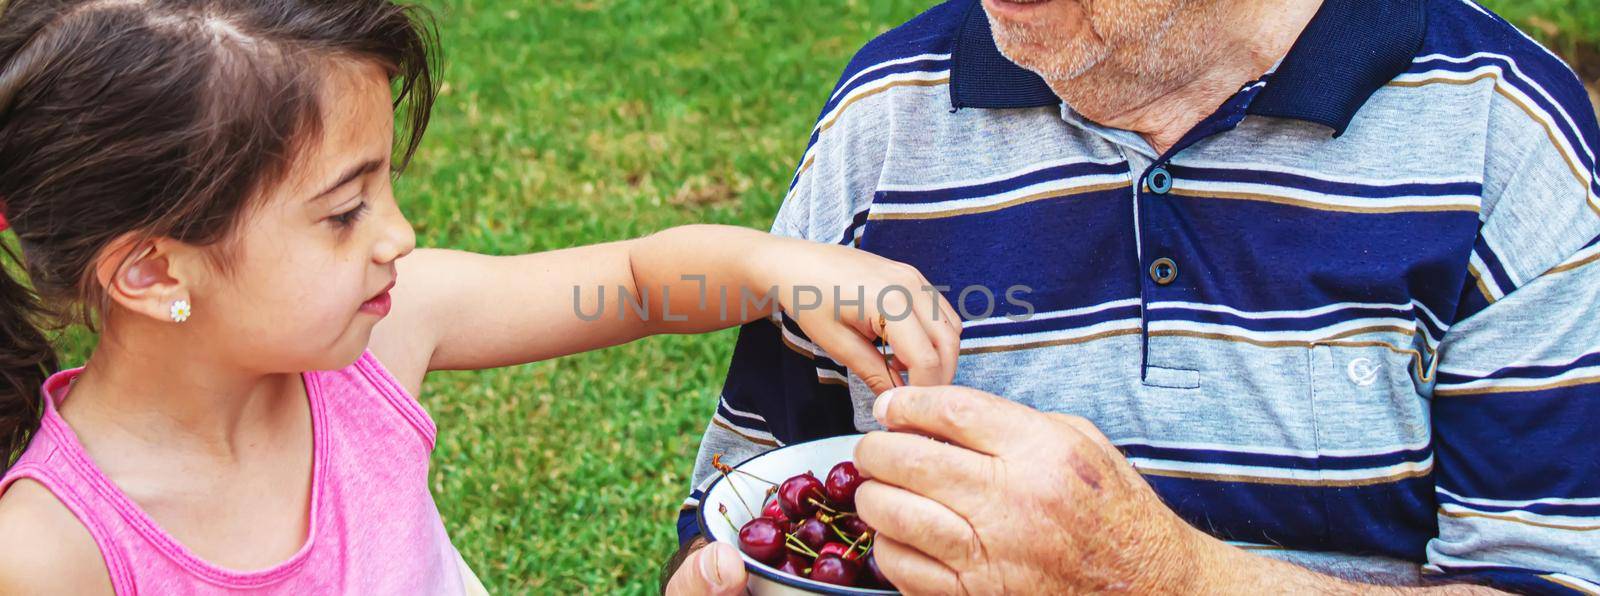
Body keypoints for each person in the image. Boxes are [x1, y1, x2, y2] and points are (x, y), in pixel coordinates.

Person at [0, 1, 959, 593]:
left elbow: (629, 283)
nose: (398, 236)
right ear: (154, 271)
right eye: (343, 213)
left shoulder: (378, 337)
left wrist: (773, 268)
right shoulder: (51, 551)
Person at [663, 0, 1600, 593]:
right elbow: (749, 509)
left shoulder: (1502, 137)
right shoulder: (886, 117)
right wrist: (709, 575)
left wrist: (1160, 578)